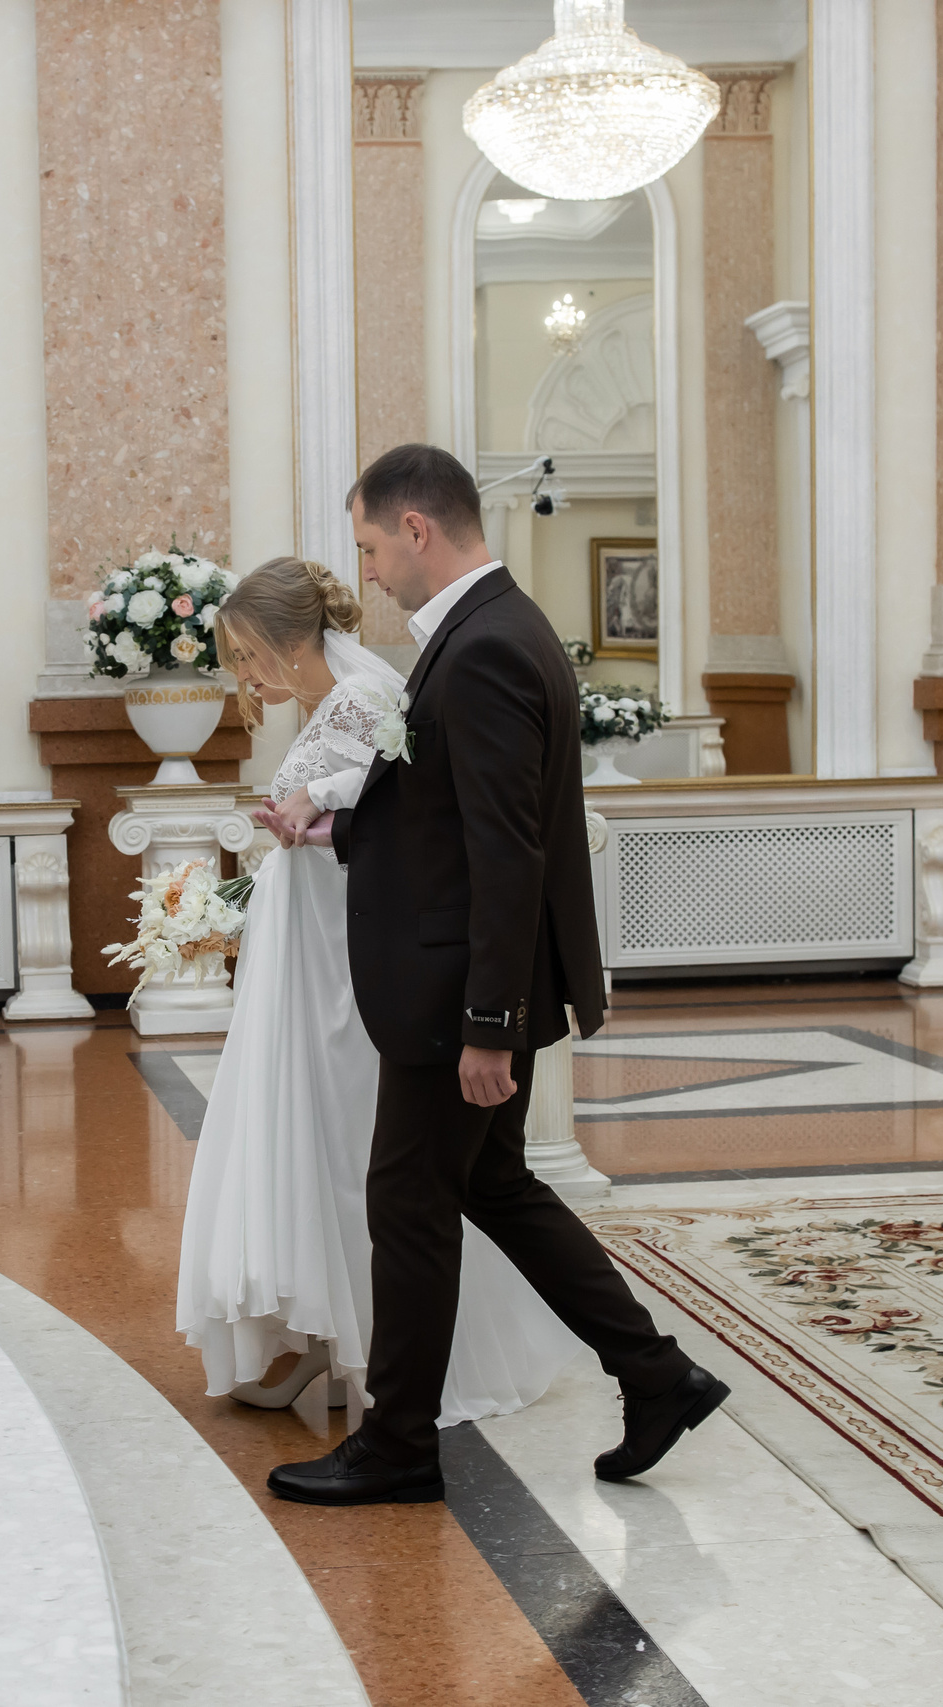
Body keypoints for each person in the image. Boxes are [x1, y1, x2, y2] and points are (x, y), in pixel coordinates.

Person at [261, 444, 727, 1507]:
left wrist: (487, 1022)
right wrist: (333, 826)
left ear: (416, 530)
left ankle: (399, 1446)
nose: (369, 571)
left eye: (373, 546)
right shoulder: (483, 634)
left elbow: (504, 852)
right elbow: (438, 826)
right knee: (490, 1185)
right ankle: (657, 1375)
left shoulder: (483, 650)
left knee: (407, 1204)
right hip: (458, 983)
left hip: (453, 996)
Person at [175, 557, 583, 1431]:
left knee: (373, 1157)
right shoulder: (333, 705)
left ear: (291, 642)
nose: (245, 677)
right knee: (322, 1143)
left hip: (344, 971)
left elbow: (404, 820)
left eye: (249, 656)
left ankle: (382, 1359)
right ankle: (328, 1336)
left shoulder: (365, 697)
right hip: (310, 953)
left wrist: (309, 811)